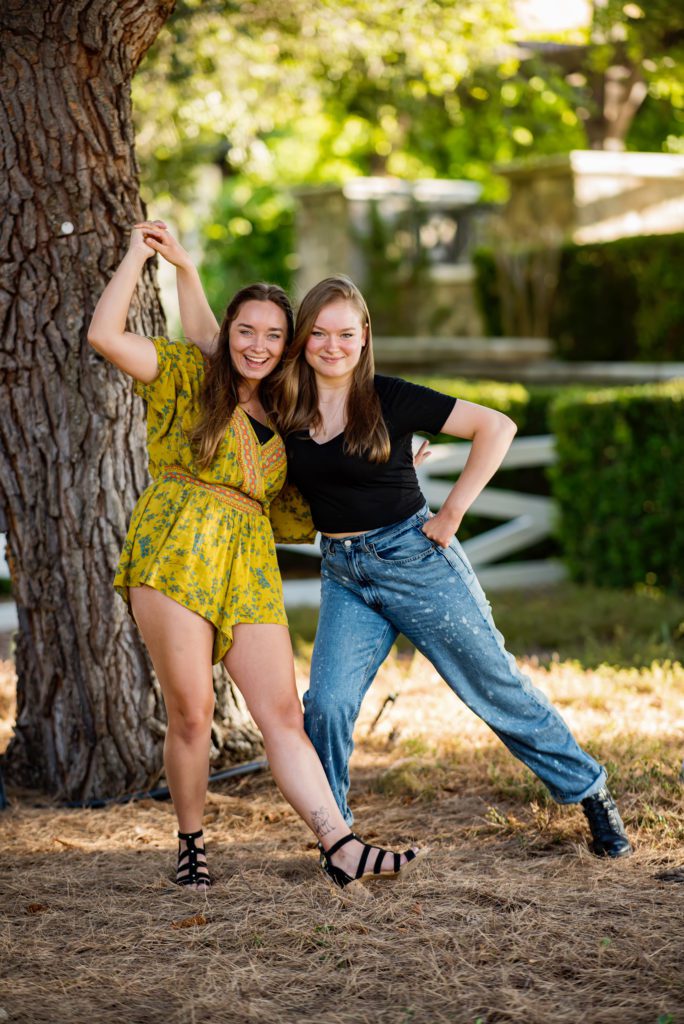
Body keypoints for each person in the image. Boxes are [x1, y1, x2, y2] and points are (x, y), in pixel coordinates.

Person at [164, 232, 633, 860]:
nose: (333, 347)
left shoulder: (390, 396)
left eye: (346, 334)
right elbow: (207, 344)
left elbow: (497, 427)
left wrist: (452, 514)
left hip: (415, 561)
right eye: (319, 334)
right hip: (346, 573)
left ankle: (590, 793)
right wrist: (184, 267)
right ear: (303, 339)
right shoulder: (284, 398)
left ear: (363, 337)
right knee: (325, 706)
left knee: (493, 688)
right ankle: (339, 839)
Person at [86, 227, 422, 890]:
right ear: (228, 332)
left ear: (288, 345)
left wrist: (403, 465)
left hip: (247, 562)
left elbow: (335, 470)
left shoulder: (286, 409)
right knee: (193, 713)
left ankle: (342, 846)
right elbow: (104, 335)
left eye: (274, 335)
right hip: (176, 547)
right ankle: (191, 846)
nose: (258, 346)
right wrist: (146, 257)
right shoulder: (185, 374)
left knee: (283, 716)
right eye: (247, 331)